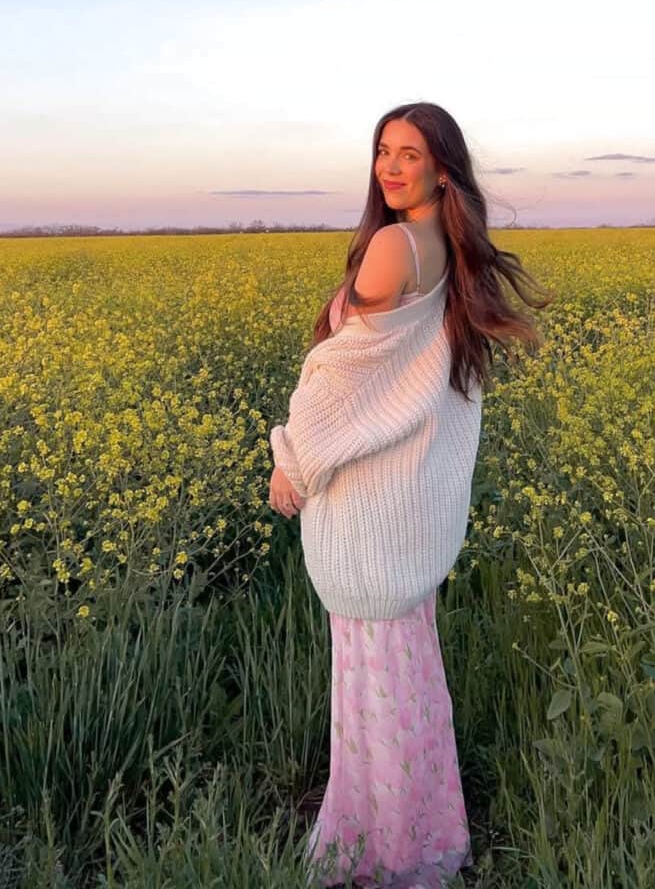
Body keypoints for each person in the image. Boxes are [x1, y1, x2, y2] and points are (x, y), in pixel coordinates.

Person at [268, 102, 554, 888]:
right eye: (382, 152)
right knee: (408, 686)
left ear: (440, 167)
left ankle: (383, 854)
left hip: (364, 510)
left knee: (371, 693)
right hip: (406, 518)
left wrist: (289, 457)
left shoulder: (394, 245)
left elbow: (339, 379)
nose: (390, 167)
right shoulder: (446, 251)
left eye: (409, 154)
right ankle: (426, 837)